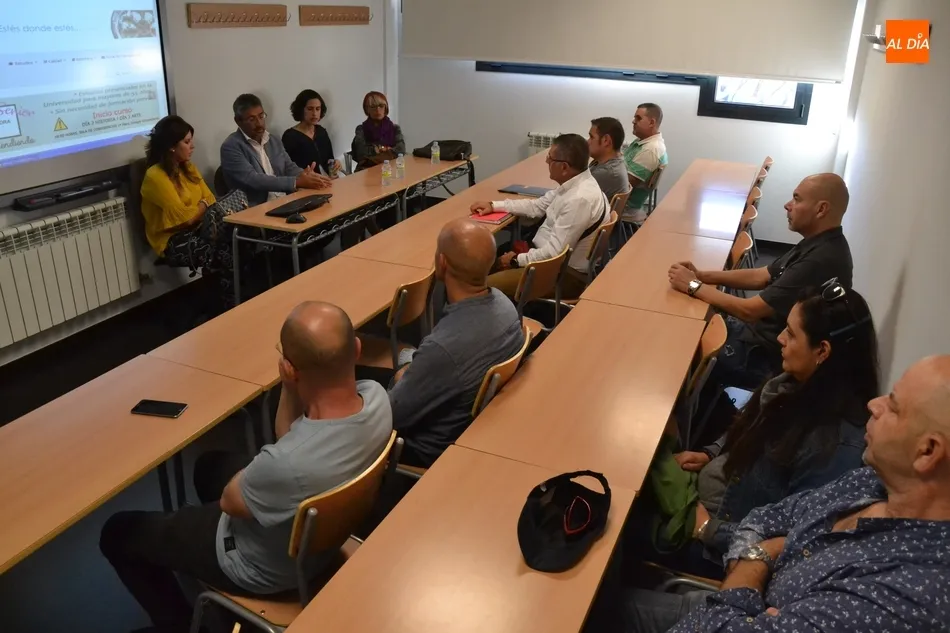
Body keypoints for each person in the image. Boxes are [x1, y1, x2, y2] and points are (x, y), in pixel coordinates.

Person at [99, 302, 393, 632]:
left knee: (118, 532)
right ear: (357, 348)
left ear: (290, 368)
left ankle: (179, 624)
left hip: (261, 569)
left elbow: (231, 501)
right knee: (208, 466)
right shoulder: (377, 399)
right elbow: (292, 439)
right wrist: (291, 387)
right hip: (324, 541)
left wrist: (288, 385)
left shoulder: (285, 464)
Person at [623, 354, 950, 633]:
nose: (874, 405)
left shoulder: (908, 594)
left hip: (721, 608)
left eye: (893, 406)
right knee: (608, 596)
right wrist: (762, 557)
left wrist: (759, 558)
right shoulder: (871, 482)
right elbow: (768, 516)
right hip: (726, 601)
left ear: (927, 452)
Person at [634, 282, 878, 579]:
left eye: (791, 334)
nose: (780, 338)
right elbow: (753, 429)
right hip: (706, 503)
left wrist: (708, 529)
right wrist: (711, 454)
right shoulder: (794, 385)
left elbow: (796, 543)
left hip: (714, 548)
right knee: (634, 473)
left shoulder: (833, 448)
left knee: (623, 523)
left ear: (822, 351)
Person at [358, 218, 524, 467]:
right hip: (466, 422)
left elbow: (389, 417)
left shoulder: (443, 349)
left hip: (425, 448)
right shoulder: (504, 304)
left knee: (362, 382)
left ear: (442, 262)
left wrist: (405, 374)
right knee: (402, 359)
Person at [668, 173, 854, 390]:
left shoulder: (820, 259)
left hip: (767, 354)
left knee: (681, 350)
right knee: (686, 325)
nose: (788, 205)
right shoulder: (818, 243)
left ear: (821, 209)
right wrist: (701, 276)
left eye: (797, 199)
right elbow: (761, 275)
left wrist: (692, 286)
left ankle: (700, 407)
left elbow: (750, 310)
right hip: (758, 335)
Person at [471, 133, 610, 300]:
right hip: (547, 262)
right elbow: (537, 206)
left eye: (550, 158)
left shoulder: (579, 199)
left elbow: (554, 254)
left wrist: (515, 260)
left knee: (479, 289)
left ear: (564, 167)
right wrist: (494, 205)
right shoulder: (576, 183)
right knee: (483, 261)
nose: (546, 161)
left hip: (562, 275)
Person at [140, 115, 248, 289]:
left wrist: (201, 207)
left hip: (201, 229)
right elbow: (186, 219)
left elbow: (211, 199)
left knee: (243, 236)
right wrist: (203, 205)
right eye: (187, 142)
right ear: (171, 146)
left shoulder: (187, 167)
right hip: (171, 240)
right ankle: (229, 300)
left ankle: (243, 294)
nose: (192, 146)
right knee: (226, 249)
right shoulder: (155, 176)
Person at [220, 93, 331, 206]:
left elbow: (288, 166)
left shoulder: (272, 139)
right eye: (252, 119)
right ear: (238, 121)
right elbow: (253, 179)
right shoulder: (231, 147)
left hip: (285, 201)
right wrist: (296, 182)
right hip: (256, 207)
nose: (259, 123)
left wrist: (306, 175)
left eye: (261, 116)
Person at [622, 103, 668, 224]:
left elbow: (625, 186)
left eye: (638, 118)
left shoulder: (651, 150)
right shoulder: (643, 142)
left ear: (652, 122)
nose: (633, 121)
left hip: (623, 207)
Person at [282, 89, 343, 178]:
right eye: (310, 109)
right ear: (301, 110)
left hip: (327, 181)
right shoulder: (290, 136)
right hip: (305, 183)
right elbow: (286, 170)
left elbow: (329, 159)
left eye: (318, 109)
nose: (314, 113)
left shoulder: (321, 132)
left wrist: (335, 163)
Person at [351, 91, 406, 169]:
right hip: (366, 170)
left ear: (385, 108)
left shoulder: (395, 128)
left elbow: (401, 150)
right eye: (373, 107)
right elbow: (360, 153)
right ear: (367, 109)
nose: (377, 110)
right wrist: (385, 149)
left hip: (390, 168)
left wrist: (376, 150)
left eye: (381, 106)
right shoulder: (361, 129)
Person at [588, 116, 632, 204]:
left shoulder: (607, 172)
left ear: (606, 141)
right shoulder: (616, 162)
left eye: (591, 137)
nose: (588, 142)